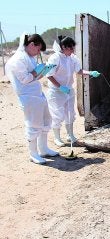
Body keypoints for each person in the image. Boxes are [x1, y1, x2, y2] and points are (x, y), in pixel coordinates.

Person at [5, 33, 59, 165]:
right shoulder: (18, 60)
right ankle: (33, 154)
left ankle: (43, 149)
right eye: (38, 49)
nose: (38, 52)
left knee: (46, 120)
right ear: (31, 44)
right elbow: (25, 79)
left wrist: (44, 71)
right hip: (28, 97)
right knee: (33, 124)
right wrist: (37, 71)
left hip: (37, 94)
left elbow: (34, 77)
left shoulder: (29, 57)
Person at [45, 36, 100, 147]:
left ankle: (70, 134)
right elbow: (49, 75)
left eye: (73, 49)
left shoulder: (72, 58)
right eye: (70, 49)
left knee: (70, 113)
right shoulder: (55, 58)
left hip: (69, 90)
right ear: (64, 47)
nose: (72, 51)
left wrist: (90, 73)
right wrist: (60, 87)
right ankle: (57, 137)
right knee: (57, 114)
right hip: (56, 91)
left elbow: (78, 70)